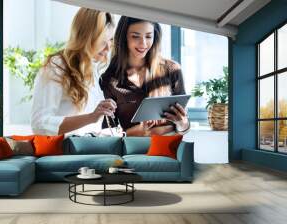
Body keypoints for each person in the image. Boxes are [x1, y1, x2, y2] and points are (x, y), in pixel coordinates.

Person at [31, 8, 117, 136]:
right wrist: (90, 117)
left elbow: (86, 129)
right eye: (102, 42)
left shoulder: (91, 68)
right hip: (64, 153)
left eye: (111, 40)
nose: (108, 48)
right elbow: (40, 124)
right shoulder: (57, 65)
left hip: (84, 150)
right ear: (86, 38)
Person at [100, 16, 190, 136]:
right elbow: (108, 133)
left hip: (168, 149)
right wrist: (140, 130)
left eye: (148, 36)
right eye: (135, 36)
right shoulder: (109, 79)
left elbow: (185, 127)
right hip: (133, 151)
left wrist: (182, 123)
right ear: (124, 37)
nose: (143, 44)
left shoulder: (172, 70)